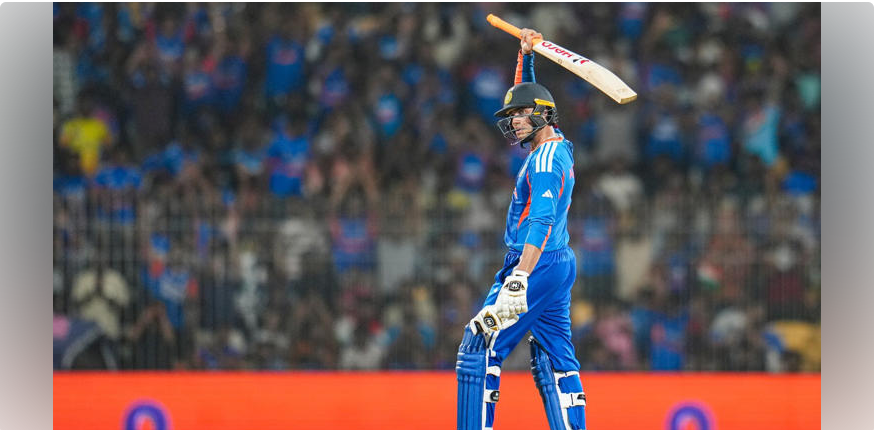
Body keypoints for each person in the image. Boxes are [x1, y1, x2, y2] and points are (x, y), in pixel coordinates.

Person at [456, 29, 587, 430]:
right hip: (556, 261)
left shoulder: (545, 161)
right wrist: (525, 56)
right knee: (554, 358)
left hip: (535, 262)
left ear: (543, 115)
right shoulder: (555, 146)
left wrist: (520, 276)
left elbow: (541, 220)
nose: (513, 121)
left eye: (519, 115)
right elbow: (529, 96)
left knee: (479, 344)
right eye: (511, 116)